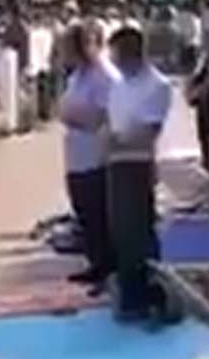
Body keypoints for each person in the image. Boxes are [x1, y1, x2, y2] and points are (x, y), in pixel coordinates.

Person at [106, 26, 172, 320]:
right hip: (115, 162)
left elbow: (149, 130)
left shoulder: (157, 85)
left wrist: (117, 141)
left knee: (139, 231)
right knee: (121, 232)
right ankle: (130, 293)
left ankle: (151, 295)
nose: (114, 59)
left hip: (137, 162)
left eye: (117, 53)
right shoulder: (120, 85)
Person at [59, 20, 120, 295]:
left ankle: (110, 271)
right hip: (76, 150)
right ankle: (96, 264)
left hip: (96, 151)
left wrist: (80, 119)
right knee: (84, 212)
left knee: (98, 213)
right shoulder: (77, 76)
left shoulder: (104, 76)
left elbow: (108, 115)